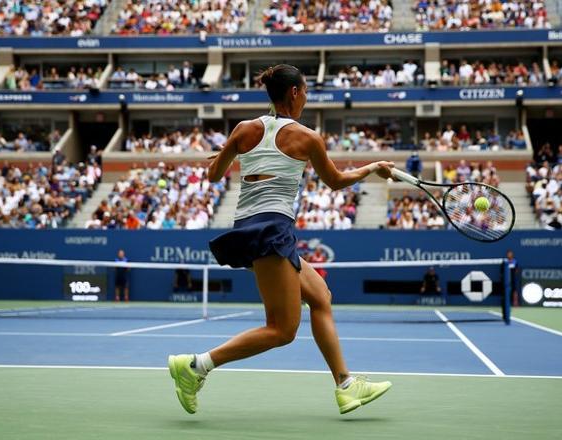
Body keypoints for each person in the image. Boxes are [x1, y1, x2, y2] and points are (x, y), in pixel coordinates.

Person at [167, 64, 394, 415]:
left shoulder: (244, 130)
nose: (305, 98)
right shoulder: (306, 137)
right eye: (305, 92)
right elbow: (335, 181)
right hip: (271, 230)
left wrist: (228, 154)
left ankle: (346, 386)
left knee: (320, 296)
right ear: (294, 93)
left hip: (251, 226)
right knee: (282, 330)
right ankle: (196, 366)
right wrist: (372, 167)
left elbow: (213, 175)